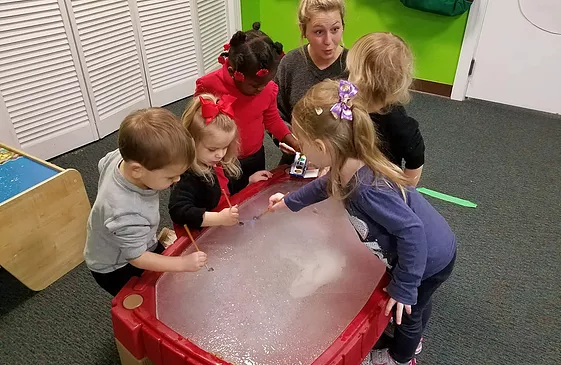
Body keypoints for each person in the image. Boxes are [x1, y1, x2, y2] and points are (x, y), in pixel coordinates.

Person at [268, 80, 456, 365]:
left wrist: (405, 285)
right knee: (418, 299)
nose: (301, 149)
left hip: (429, 256)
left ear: (321, 146)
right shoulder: (347, 164)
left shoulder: (368, 189)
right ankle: (413, 327)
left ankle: (402, 357)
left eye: (302, 142)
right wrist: (289, 202)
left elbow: (413, 232)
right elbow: (324, 187)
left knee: (409, 309)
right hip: (434, 246)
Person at [84, 108, 208, 296]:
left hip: (132, 236)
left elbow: (103, 163)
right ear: (137, 170)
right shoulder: (125, 212)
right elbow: (137, 258)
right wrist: (182, 264)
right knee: (146, 297)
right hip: (116, 266)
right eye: (170, 177)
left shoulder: (124, 157)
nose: (177, 181)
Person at [195, 22, 299, 192]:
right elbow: (197, 124)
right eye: (254, 85)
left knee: (254, 196)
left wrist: (293, 141)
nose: (260, 89)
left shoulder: (268, 89)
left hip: (254, 155)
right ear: (232, 71)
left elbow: (272, 119)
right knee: (226, 201)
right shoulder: (209, 85)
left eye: (264, 84)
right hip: (221, 159)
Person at [168, 94, 272, 231]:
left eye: (225, 147)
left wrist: (248, 180)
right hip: (199, 232)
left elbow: (227, 187)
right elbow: (178, 211)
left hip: (223, 220)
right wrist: (218, 218)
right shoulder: (187, 176)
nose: (220, 154)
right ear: (191, 142)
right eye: (212, 149)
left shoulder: (217, 162)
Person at [275, 0, 348, 165]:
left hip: (343, 161)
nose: (328, 41)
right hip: (299, 157)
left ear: (343, 26)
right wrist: (290, 139)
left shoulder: (355, 66)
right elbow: (275, 112)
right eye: (318, 32)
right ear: (303, 30)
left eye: (335, 29)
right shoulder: (290, 63)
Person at [347, 32, 425, 186]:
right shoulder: (345, 104)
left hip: (380, 186)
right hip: (347, 177)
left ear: (362, 79)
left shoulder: (399, 123)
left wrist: (404, 194)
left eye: (352, 71)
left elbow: (415, 160)